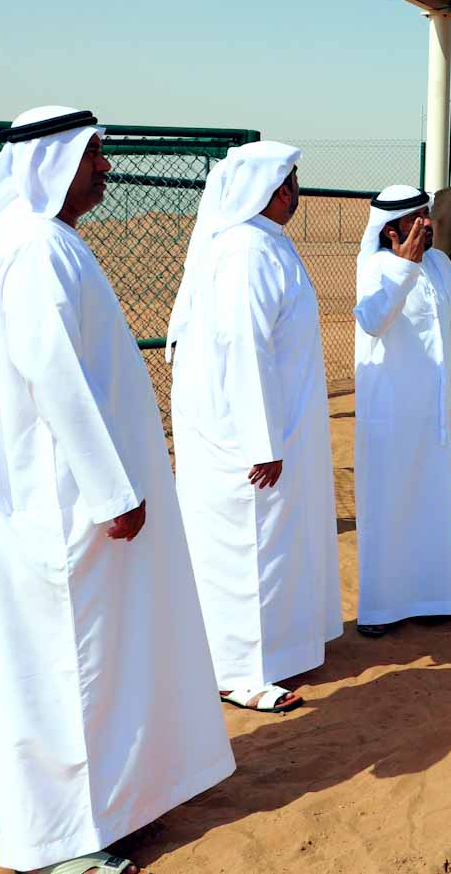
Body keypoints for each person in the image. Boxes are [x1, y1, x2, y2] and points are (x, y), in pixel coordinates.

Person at [0, 106, 235, 874]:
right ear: (56, 162)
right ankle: (64, 841)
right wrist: (111, 491)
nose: (104, 168)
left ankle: (43, 810)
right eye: (93, 155)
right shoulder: (36, 250)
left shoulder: (38, 243)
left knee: (49, 664)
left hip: (46, 496)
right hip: (66, 502)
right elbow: (55, 379)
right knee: (73, 664)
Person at [167, 141, 340, 714]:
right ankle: (236, 673)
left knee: (271, 544)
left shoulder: (267, 244)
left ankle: (277, 652)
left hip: (276, 422)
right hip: (247, 435)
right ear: (270, 190)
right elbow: (243, 348)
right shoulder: (244, 251)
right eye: (290, 182)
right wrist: (261, 441)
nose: (296, 192)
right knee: (247, 548)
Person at [350, 185, 451, 637]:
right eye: (417, 219)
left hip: (431, 414)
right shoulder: (376, 267)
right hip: (388, 414)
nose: (428, 224)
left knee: (431, 504)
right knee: (389, 506)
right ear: (391, 229)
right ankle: (383, 610)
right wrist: (404, 268)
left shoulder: (442, 264)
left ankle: (436, 599)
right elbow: (371, 319)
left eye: (427, 216)